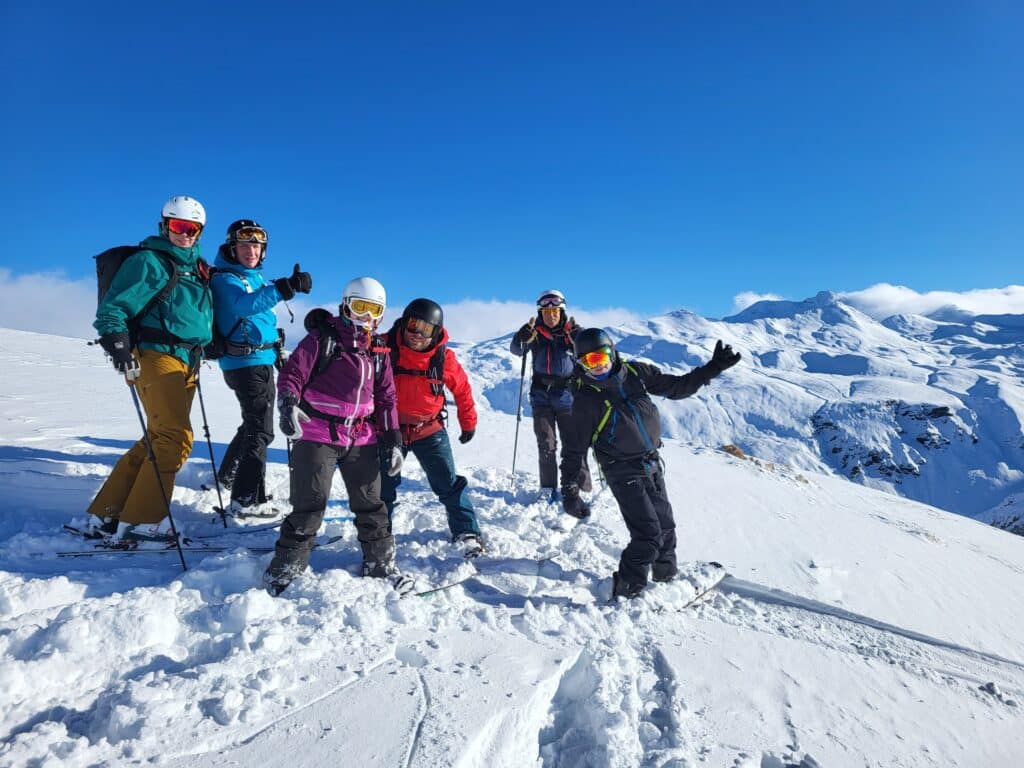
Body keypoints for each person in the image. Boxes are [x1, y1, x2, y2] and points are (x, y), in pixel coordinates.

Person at [561, 328, 741, 599]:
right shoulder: (586, 400)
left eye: (601, 358)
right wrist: (570, 489)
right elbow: (574, 450)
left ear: (612, 352)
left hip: (651, 462)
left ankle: (667, 579)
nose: (597, 367)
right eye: (588, 362)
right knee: (647, 535)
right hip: (621, 470)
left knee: (666, 527)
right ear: (580, 364)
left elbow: (677, 387)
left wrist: (712, 368)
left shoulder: (635, 373)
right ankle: (625, 590)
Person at [263, 276, 406, 596]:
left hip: (362, 436)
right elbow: (293, 373)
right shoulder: (322, 339)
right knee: (310, 503)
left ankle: (380, 563)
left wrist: (393, 438)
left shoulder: (379, 351)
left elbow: (387, 398)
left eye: (374, 311)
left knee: (372, 503)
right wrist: (287, 404)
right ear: (345, 305)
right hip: (317, 433)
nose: (366, 318)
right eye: (359, 308)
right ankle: (286, 568)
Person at [88, 195, 214, 542]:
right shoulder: (150, 261)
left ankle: (107, 514)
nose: (184, 234)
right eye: (177, 226)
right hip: (157, 355)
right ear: (164, 226)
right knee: (174, 438)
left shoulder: (197, 268)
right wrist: (117, 343)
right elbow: (113, 308)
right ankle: (143, 521)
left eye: (192, 228)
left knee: (160, 437)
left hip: (187, 360)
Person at [210, 219, 312, 516]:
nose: (251, 251)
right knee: (261, 431)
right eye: (244, 245)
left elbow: (260, 317)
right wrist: (285, 287)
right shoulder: (225, 279)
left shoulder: (252, 278)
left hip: (260, 360)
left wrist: (277, 347)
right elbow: (245, 306)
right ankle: (246, 500)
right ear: (232, 247)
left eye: (256, 246)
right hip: (245, 362)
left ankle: (228, 476)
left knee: (252, 424)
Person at [380, 298, 483, 557]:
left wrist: (468, 422)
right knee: (382, 486)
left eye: (426, 330)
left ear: (436, 332)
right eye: (413, 325)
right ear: (403, 323)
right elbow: (355, 344)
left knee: (448, 483)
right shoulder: (383, 346)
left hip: (429, 429)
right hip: (390, 431)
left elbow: (462, 390)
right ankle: (379, 534)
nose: (417, 335)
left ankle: (466, 531)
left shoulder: (443, 358)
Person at [509, 289, 592, 500]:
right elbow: (517, 350)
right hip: (541, 397)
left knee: (573, 443)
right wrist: (522, 337)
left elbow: (591, 354)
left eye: (555, 311)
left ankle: (580, 485)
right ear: (540, 313)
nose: (551, 315)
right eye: (546, 312)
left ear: (562, 311)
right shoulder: (533, 332)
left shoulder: (572, 332)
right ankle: (548, 487)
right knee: (546, 443)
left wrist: (579, 339)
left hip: (567, 397)